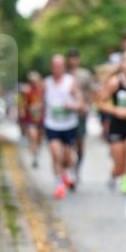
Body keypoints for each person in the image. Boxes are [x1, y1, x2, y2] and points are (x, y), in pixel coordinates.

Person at [96, 50, 126, 221]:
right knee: (120, 166)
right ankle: (114, 176)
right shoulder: (114, 82)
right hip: (118, 126)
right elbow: (101, 103)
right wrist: (117, 110)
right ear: (122, 63)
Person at [43, 54, 84, 199]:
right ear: (51, 67)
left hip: (68, 125)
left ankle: (70, 173)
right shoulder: (46, 83)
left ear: (64, 67)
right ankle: (59, 184)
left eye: (60, 66)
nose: (57, 69)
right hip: (52, 124)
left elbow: (80, 101)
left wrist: (72, 105)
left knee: (67, 157)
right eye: (54, 66)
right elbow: (41, 103)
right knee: (55, 154)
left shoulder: (70, 82)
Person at [67, 49, 96, 183]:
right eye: (71, 58)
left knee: (79, 143)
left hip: (80, 114)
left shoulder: (85, 74)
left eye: (75, 58)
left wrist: (87, 106)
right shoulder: (64, 75)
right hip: (66, 114)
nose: (73, 61)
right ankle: (70, 169)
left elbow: (91, 92)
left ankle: (77, 167)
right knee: (67, 144)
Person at [20, 72, 46, 167]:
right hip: (30, 118)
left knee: (39, 139)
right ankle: (34, 158)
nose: (33, 83)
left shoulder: (42, 90)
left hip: (41, 118)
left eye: (35, 81)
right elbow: (22, 103)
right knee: (33, 136)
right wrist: (22, 110)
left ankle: (37, 153)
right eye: (31, 81)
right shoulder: (26, 91)